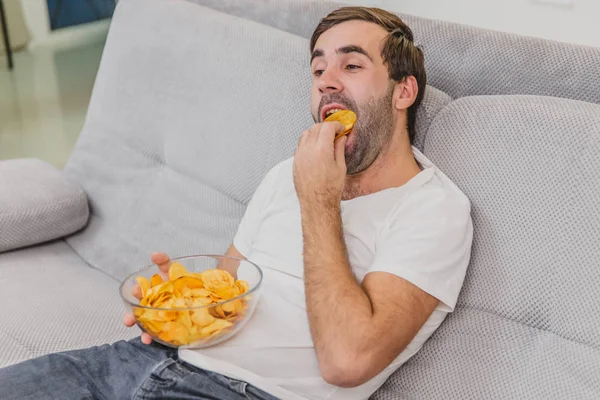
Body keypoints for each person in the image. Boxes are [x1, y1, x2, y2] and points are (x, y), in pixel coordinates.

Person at [0, 6, 473, 400]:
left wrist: (317, 199)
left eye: (351, 65)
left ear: (403, 91)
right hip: (140, 361)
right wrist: (180, 306)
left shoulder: (433, 210)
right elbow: (229, 290)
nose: (327, 81)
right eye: (317, 69)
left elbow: (347, 361)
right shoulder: (284, 174)